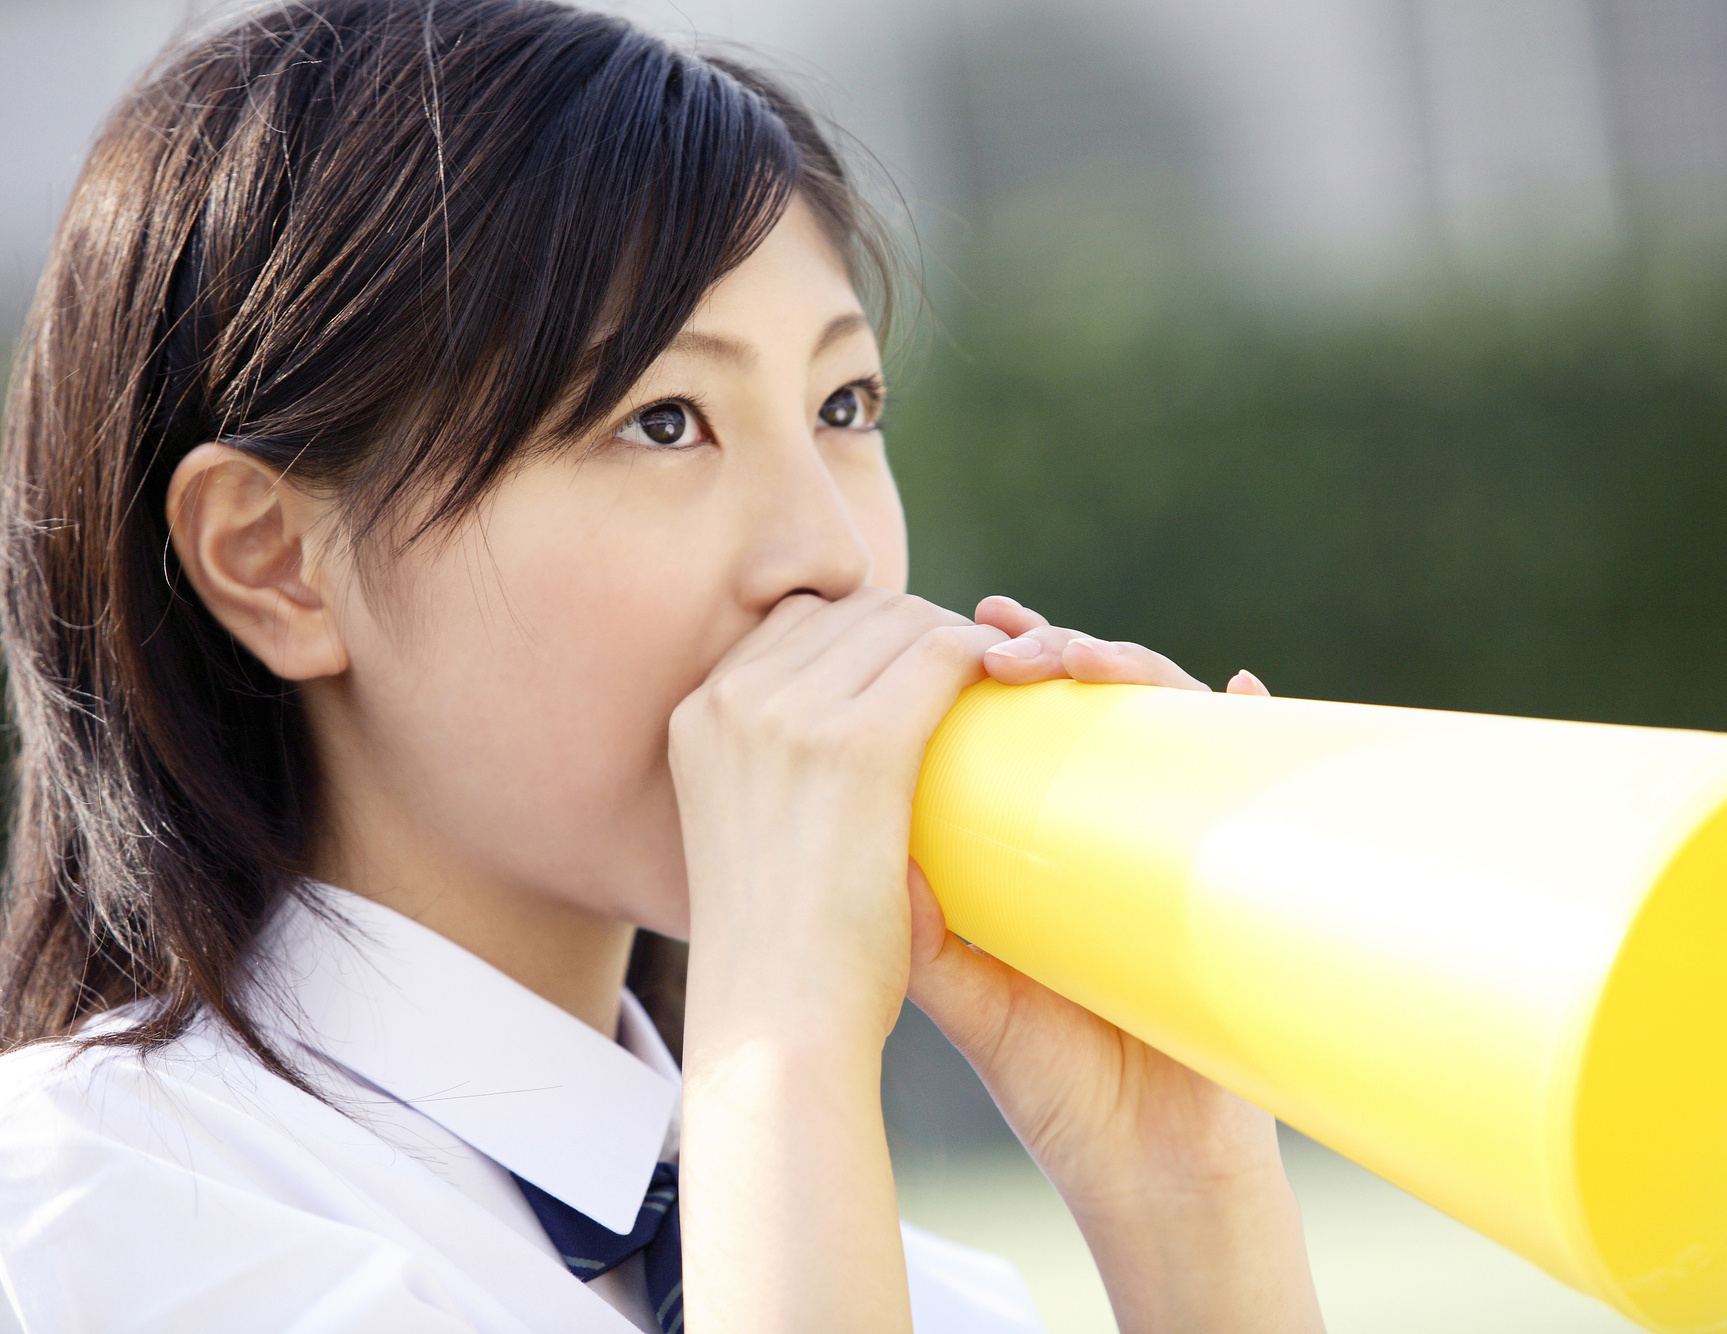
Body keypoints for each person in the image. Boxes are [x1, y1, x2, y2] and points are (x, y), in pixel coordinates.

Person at [0, 2, 1324, 1330]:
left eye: (844, 406)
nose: (835, 560)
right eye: (666, 419)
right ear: (277, 560)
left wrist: (1184, 1199)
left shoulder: (935, 1296)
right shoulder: (85, 1218)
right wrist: (781, 1046)